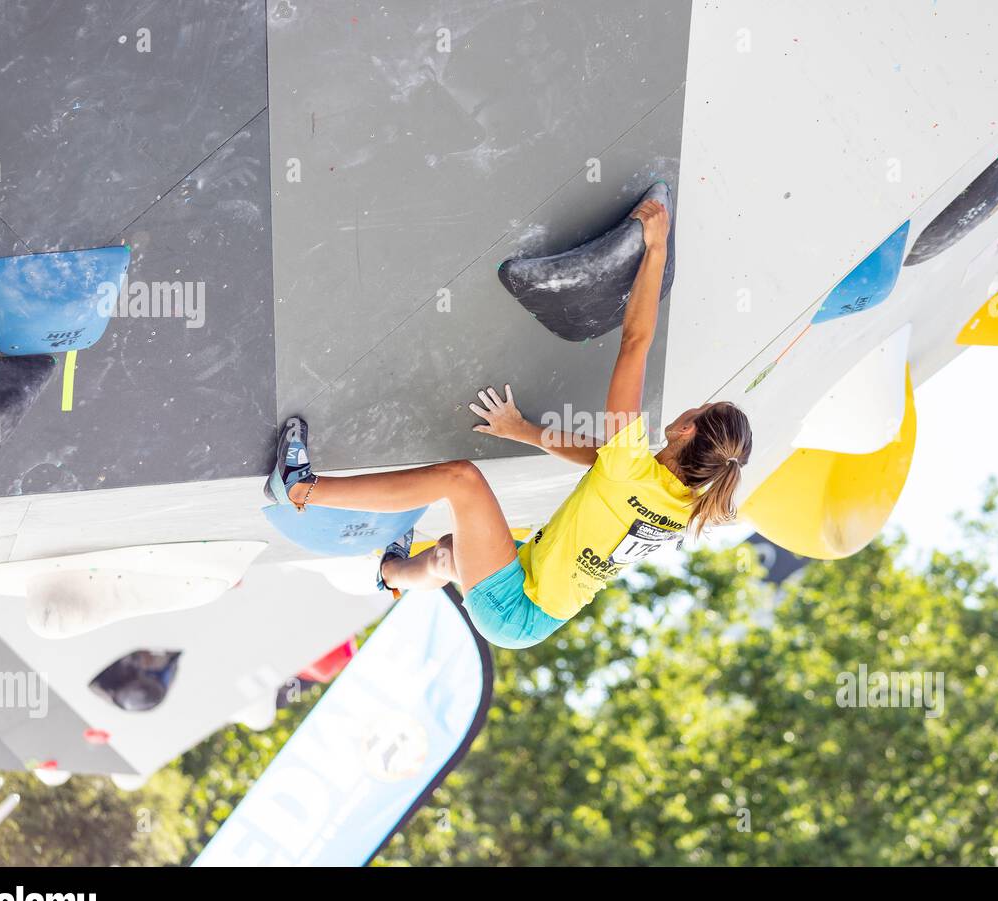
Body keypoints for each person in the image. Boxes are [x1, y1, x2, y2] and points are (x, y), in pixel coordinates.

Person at [265, 197, 752, 649]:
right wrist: (521, 430)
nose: (691, 409)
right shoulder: (681, 499)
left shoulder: (644, 475)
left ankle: (301, 490)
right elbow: (601, 463)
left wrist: (657, 246)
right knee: (449, 553)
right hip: (534, 601)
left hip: (519, 607)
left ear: (688, 429)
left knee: (461, 481)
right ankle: (392, 572)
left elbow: (636, 342)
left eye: (698, 412)